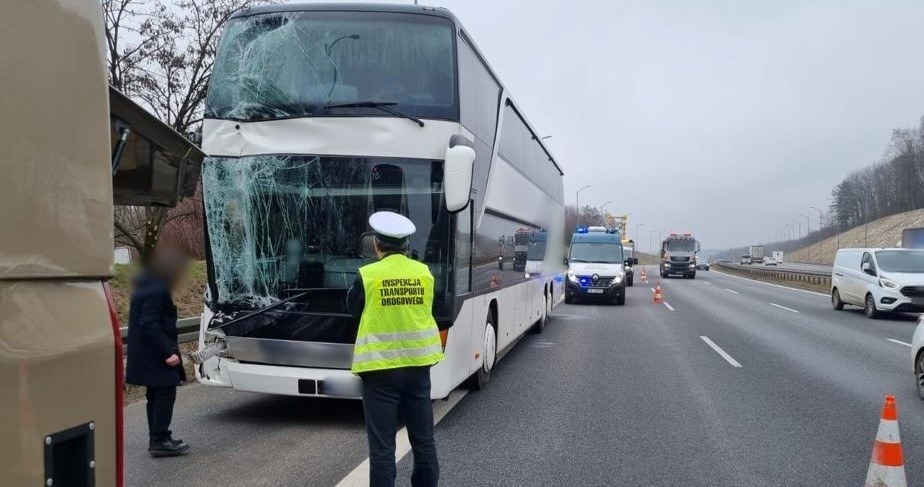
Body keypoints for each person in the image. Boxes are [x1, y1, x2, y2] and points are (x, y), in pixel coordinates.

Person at [347, 211, 444, 487]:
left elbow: (352, 309)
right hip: (417, 368)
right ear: (406, 245)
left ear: (376, 244)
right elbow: (432, 308)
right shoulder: (423, 273)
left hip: (379, 370)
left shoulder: (368, 275)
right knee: (424, 440)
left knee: (382, 449)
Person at [125, 247, 191, 457]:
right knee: (164, 393)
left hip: (146, 353)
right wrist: (167, 353)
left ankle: (159, 436)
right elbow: (149, 322)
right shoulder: (157, 287)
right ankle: (160, 439)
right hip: (155, 353)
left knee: (155, 394)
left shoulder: (145, 284)